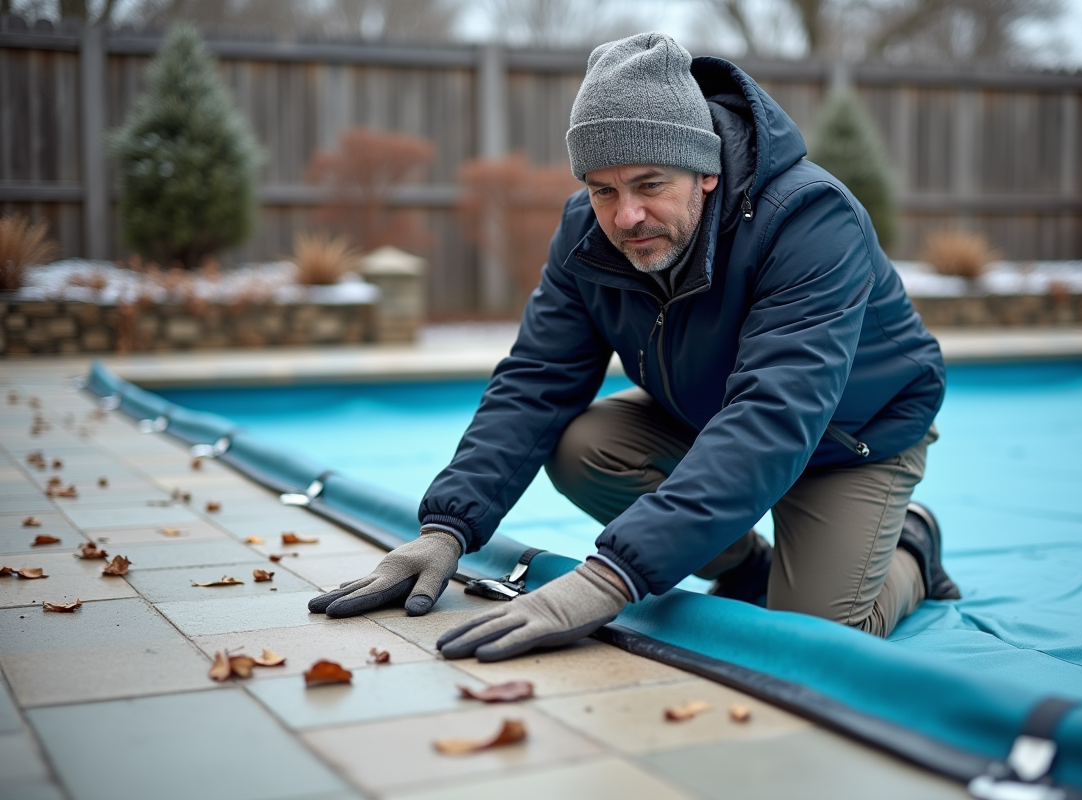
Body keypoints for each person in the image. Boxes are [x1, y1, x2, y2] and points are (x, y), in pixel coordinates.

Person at [309, 32, 960, 662]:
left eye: (650, 184)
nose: (625, 217)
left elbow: (773, 417)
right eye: (603, 189)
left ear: (705, 171)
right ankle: (745, 565)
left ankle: (913, 546)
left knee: (814, 637)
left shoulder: (810, 220)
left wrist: (611, 579)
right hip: (709, 417)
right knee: (585, 446)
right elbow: (537, 378)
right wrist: (447, 527)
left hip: (849, 440)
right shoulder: (585, 234)